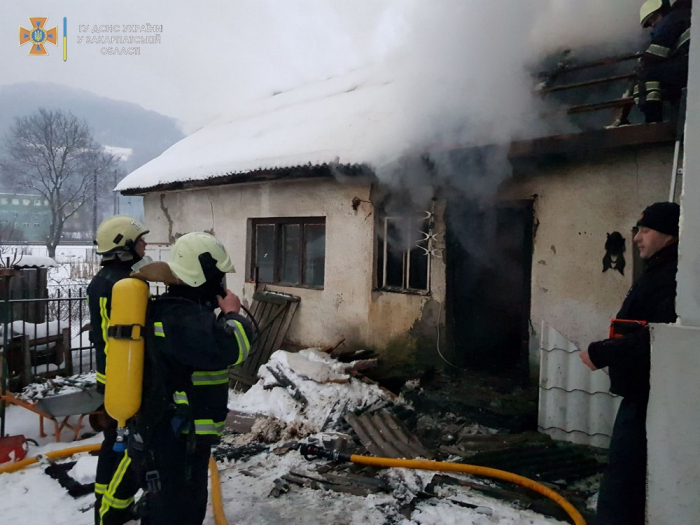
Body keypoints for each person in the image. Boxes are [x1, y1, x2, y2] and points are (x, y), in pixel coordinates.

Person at [126, 232, 253, 525]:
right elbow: (234, 348)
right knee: (178, 513)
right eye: (218, 275)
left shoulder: (174, 313)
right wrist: (232, 314)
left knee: (171, 508)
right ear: (203, 274)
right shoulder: (182, 319)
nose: (221, 282)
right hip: (176, 436)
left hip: (171, 433)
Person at [580, 202, 679, 525]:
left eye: (645, 230)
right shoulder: (662, 271)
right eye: (638, 230)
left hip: (648, 396)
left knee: (623, 481)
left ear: (670, 235)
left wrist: (602, 352)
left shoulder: (673, 278)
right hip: (644, 393)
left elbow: (657, 337)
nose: (637, 238)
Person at [87, 215, 149, 524]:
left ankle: (107, 503)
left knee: (113, 443)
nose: (145, 245)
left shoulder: (108, 280)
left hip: (113, 379)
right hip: (122, 380)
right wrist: (126, 383)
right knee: (128, 447)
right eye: (139, 241)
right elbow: (118, 339)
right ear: (123, 246)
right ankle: (110, 511)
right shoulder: (120, 284)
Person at [634, 0, 692, 123]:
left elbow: (656, 52)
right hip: (689, 65)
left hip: (689, 66)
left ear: (663, 11)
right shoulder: (686, 14)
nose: (654, 25)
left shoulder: (671, 20)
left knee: (646, 74)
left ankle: (652, 119)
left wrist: (643, 62)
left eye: (654, 18)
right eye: (651, 23)